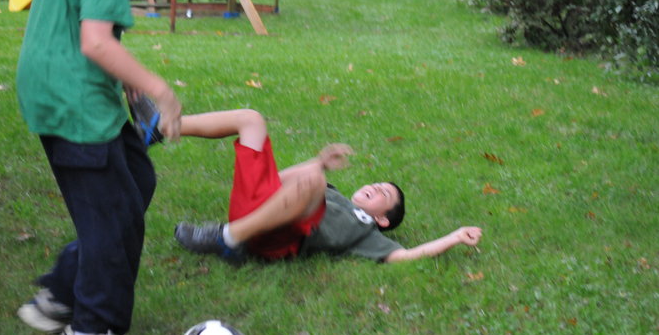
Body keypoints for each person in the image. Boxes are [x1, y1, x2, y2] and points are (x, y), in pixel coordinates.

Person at [15, 0, 185, 335]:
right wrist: (161, 90)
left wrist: (127, 78)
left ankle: (64, 291)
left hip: (56, 84)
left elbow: (78, 16)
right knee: (112, 215)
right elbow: (95, 42)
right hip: (74, 98)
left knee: (137, 179)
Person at [173, 108, 482, 264]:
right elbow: (277, 181)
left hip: (273, 239)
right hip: (258, 209)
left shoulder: (365, 232)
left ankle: (227, 238)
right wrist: (319, 162)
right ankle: (163, 125)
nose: (375, 187)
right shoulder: (331, 192)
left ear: (382, 219)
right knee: (251, 119)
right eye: (377, 183)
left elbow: (407, 256)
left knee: (315, 182)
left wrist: (455, 236)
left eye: (383, 193)